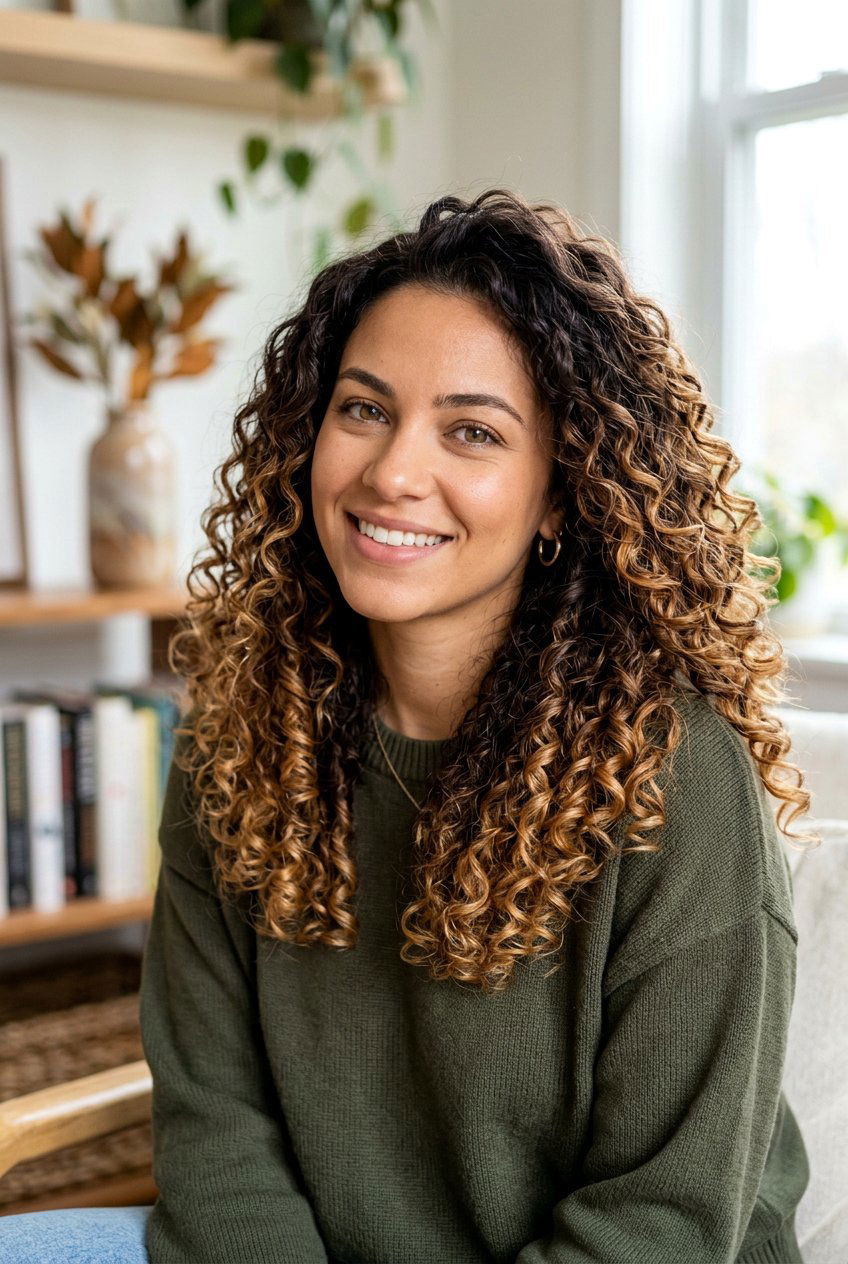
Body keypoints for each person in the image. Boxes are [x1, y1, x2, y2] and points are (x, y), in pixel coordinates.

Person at [1, 188, 814, 1263]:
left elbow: (655, 1222)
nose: (391, 473)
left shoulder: (672, 775)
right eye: (362, 408)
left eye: (470, 430)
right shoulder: (240, 736)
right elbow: (217, 1132)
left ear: (562, 491)